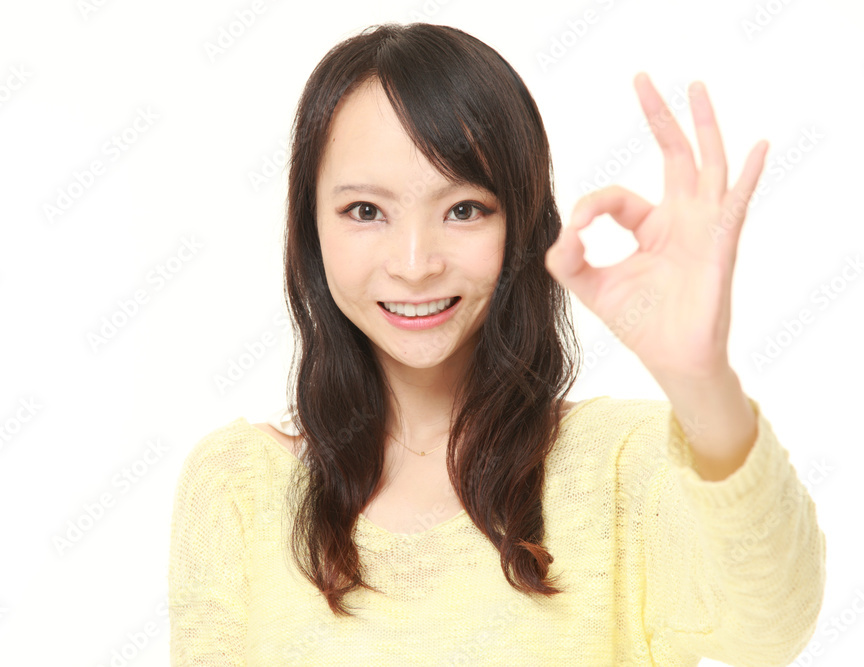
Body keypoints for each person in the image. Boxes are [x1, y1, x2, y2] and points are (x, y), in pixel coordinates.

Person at [169, 22, 825, 665]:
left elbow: (767, 629)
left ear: (523, 222)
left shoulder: (624, 467)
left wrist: (699, 377)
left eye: (464, 209)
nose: (416, 261)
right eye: (365, 210)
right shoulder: (238, 487)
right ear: (310, 230)